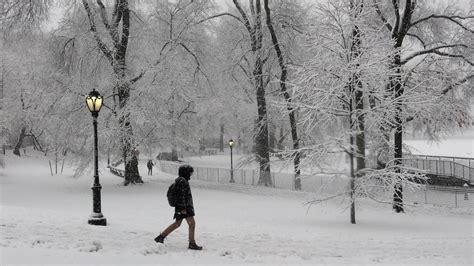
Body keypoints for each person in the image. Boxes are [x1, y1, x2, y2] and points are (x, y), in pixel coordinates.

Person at [154, 164, 202, 250]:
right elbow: (181, 196)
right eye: (190, 173)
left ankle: (161, 237)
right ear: (186, 173)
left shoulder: (181, 181)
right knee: (192, 224)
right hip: (184, 207)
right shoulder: (182, 182)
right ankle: (192, 243)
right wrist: (183, 208)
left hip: (183, 207)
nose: (191, 174)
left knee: (177, 224)